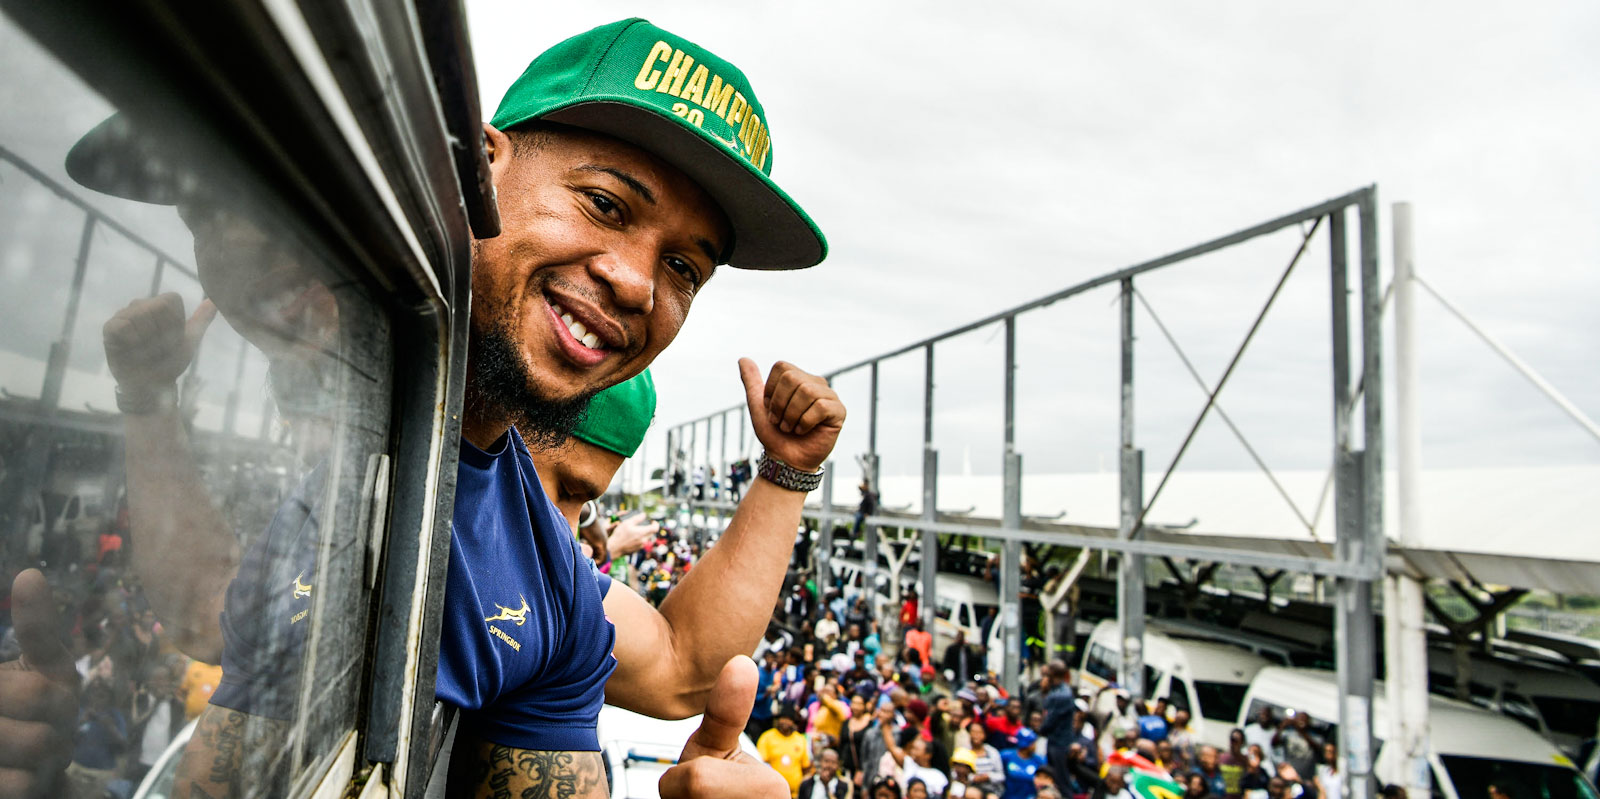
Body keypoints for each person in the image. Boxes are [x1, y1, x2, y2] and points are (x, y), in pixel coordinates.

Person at [0, 16, 838, 799]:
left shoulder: (539, 581)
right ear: (479, 172)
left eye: (685, 267)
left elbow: (681, 667)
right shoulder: (342, 457)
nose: (636, 283)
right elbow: (211, 625)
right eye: (605, 204)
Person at [878, 704, 949, 798]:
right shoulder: (910, 764)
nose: (912, 752)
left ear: (928, 755)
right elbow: (892, 747)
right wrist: (885, 725)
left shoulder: (938, 776)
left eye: (916, 749)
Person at [759, 709, 814, 798]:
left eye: (789, 719)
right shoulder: (767, 737)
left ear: (793, 722)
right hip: (771, 793)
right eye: (783, 718)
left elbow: (805, 766)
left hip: (794, 794)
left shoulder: (800, 739)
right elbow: (761, 764)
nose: (785, 722)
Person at [1272, 713, 1320, 788]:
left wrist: (1302, 732)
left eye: (1304, 719)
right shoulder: (1288, 734)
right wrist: (1282, 726)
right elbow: (1274, 743)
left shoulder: (1316, 737)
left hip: (1305, 778)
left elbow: (1318, 749)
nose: (1301, 721)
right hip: (1287, 775)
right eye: (1300, 719)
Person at [1002, 728, 1050, 799]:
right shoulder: (1006, 756)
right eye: (1032, 743)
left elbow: (1045, 780)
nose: (1035, 746)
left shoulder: (1040, 760)